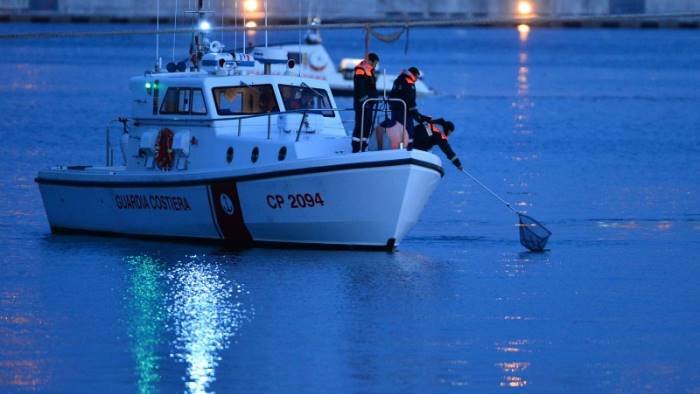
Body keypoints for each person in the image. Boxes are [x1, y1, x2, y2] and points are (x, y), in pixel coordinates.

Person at [389, 67, 431, 140]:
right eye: (417, 77)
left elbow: (393, 94)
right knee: (409, 129)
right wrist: (416, 114)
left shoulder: (398, 80)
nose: (417, 80)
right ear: (414, 75)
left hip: (395, 109)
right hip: (405, 111)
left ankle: (398, 145)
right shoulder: (409, 82)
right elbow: (410, 99)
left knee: (396, 128)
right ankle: (408, 147)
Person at [352, 52, 380, 153]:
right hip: (362, 104)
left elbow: (371, 87)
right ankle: (356, 148)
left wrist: (375, 98)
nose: (376, 65)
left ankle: (364, 147)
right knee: (360, 125)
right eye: (375, 63)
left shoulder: (370, 71)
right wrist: (365, 101)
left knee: (368, 126)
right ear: (371, 61)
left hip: (369, 104)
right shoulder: (360, 70)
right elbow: (359, 88)